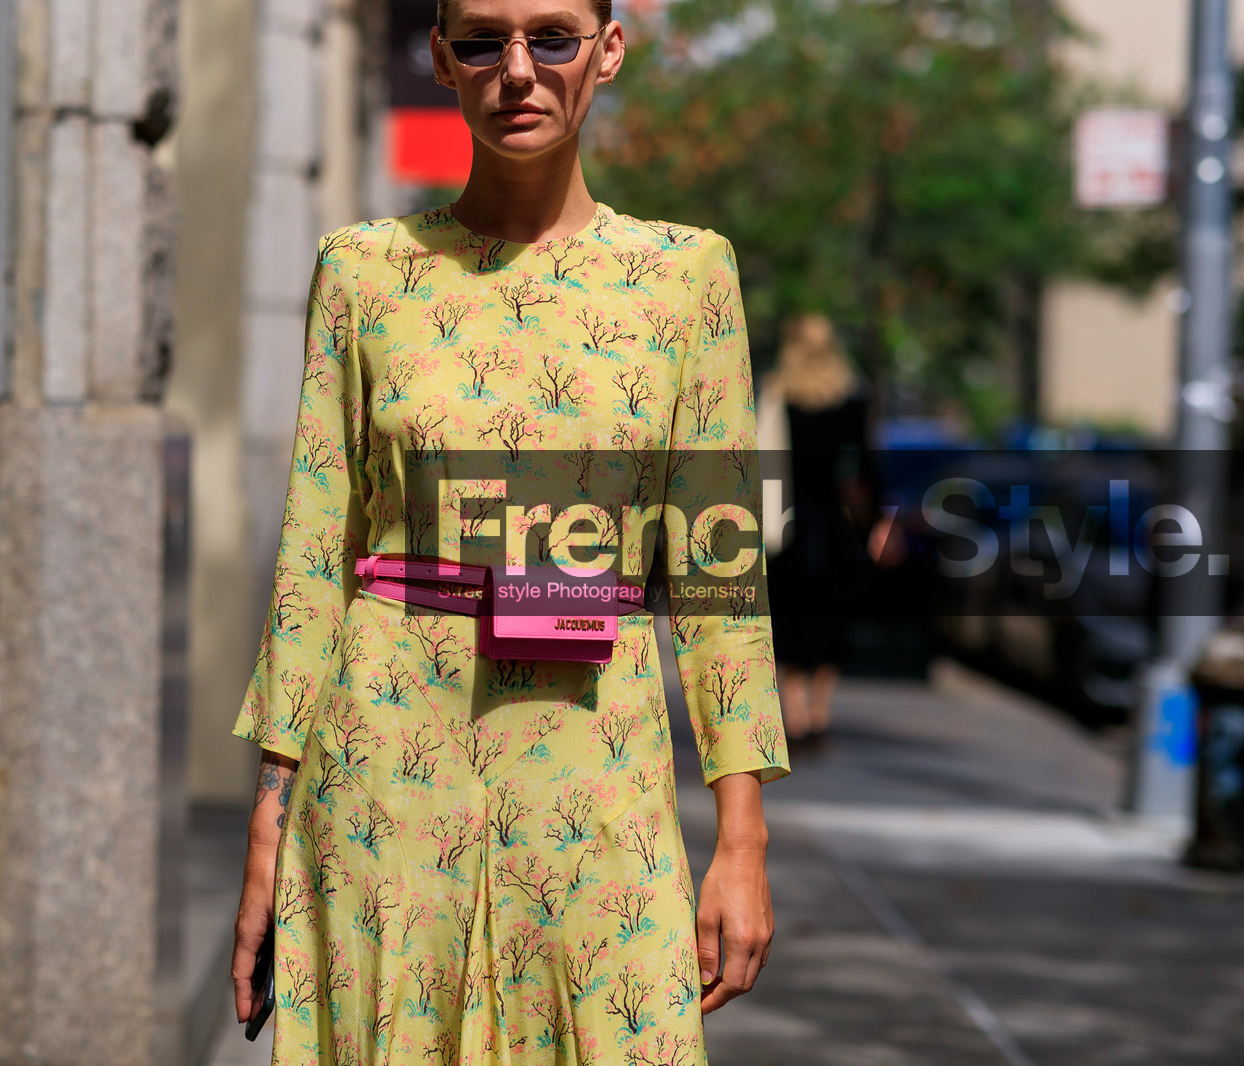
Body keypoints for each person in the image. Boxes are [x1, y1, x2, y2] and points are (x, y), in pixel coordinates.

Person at [230, 2, 790, 1062]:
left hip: (598, 769)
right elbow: (314, 550)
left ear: (608, 52)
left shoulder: (685, 278)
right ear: (443, 60)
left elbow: (720, 580)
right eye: (484, 41)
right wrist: (271, 811)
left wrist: (743, 837)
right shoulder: (363, 271)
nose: (519, 71)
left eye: (553, 37)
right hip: (386, 770)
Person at [759, 314, 885, 749]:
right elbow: (866, 466)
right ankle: (820, 712)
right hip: (835, 527)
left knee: (789, 619)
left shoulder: (777, 394)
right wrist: (877, 521)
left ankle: (794, 715)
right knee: (831, 619)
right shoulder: (852, 396)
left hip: (786, 525)